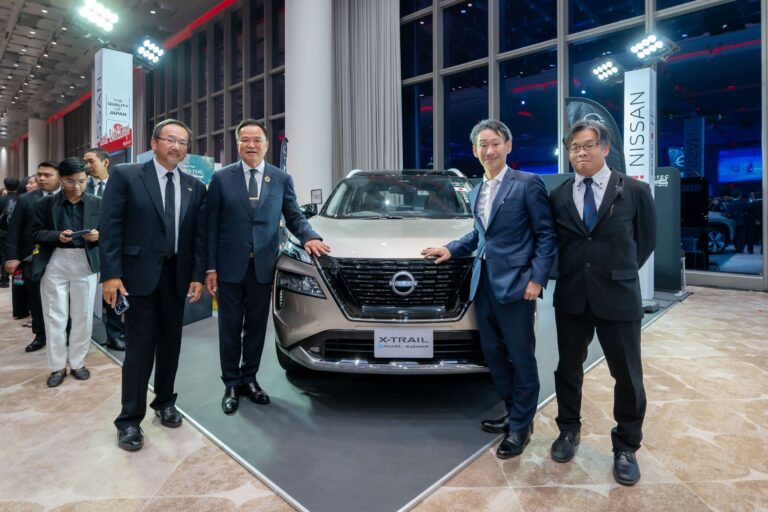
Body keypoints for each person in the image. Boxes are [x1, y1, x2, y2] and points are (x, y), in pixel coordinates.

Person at [421, 119, 557, 459]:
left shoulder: (527, 184)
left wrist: (537, 279)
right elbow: (480, 234)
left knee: (521, 357)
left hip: (517, 285)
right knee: (494, 355)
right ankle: (513, 412)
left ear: (508, 146)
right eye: (483, 144)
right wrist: (450, 248)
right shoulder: (476, 189)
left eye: (495, 143)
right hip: (482, 285)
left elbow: (546, 234)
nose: (489, 150)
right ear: (474, 150)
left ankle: (522, 427)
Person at [548, 119, 656, 486]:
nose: (581, 152)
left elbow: (646, 241)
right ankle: (568, 430)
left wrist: (619, 272)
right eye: (574, 147)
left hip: (618, 296)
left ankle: (626, 446)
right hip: (572, 296)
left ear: (605, 148)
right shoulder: (559, 195)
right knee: (567, 369)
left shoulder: (635, 190)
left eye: (588, 145)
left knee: (627, 375)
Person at [206, 119, 330, 414]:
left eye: (256, 140)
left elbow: (294, 216)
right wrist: (210, 268)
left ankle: (250, 379)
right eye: (245, 140)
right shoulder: (221, 179)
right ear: (237, 144)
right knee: (229, 328)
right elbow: (210, 226)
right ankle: (231, 383)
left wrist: (311, 237)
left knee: (256, 328)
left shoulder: (281, 179)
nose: (251, 145)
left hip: (263, 268)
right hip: (229, 268)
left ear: (266, 144)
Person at [99, 119, 207, 452]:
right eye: (170, 139)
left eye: (183, 142)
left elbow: (198, 237)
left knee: (171, 346)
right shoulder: (127, 176)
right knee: (139, 349)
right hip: (137, 277)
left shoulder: (195, 186)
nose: (176, 147)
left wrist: (197, 276)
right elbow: (111, 227)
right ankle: (129, 420)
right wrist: (111, 275)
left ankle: (165, 402)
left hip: (176, 277)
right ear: (154, 142)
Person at [30, 158, 101, 387]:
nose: (76, 186)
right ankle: (57, 366)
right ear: (61, 179)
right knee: (55, 315)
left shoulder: (97, 203)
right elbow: (35, 233)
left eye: (81, 181)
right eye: (70, 181)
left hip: (85, 260)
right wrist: (56, 236)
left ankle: (78, 363)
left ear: (87, 179)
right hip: (55, 259)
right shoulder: (46, 203)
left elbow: (110, 232)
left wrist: (98, 236)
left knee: (83, 314)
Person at [4, 162, 61, 352]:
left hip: (62, 256)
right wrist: (12, 257)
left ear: (59, 176)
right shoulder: (25, 200)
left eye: (47, 175)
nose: (41, 178)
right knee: (36, 297)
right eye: (39, 174)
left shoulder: (67, 196)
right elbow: (14, 231)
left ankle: (64, 333)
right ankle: (40, 334)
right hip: (32, 257)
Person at [83, 147, 126, 351]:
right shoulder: (81, 186)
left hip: (114, 248)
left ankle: (114, 335)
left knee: (114, 292)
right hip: (86, 249)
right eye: (85, 161)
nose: (87, 165)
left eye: (91, 161)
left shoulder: (120, 185)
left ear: (105, 162)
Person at [0, 177, 21, 288]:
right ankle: (18, 281)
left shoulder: (1, 199)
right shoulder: (22, 199)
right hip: (18, 232)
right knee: (18, 255)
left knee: (4, 255)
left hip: (3, 232)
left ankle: (4, 280)